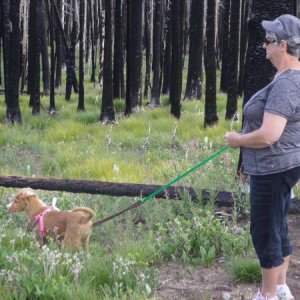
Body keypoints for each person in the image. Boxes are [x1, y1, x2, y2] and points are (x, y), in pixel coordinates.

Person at [225, 14, 300, 300]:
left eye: (269, 40)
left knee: (265, 231)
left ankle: (266, 295)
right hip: (282, 167)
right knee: (278, 226)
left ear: (282, 45)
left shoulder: (286, 84)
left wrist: (237, 141)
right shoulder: (288, 78)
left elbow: (269, 135)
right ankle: (280, 289)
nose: (264, 44)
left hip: (272, 169)